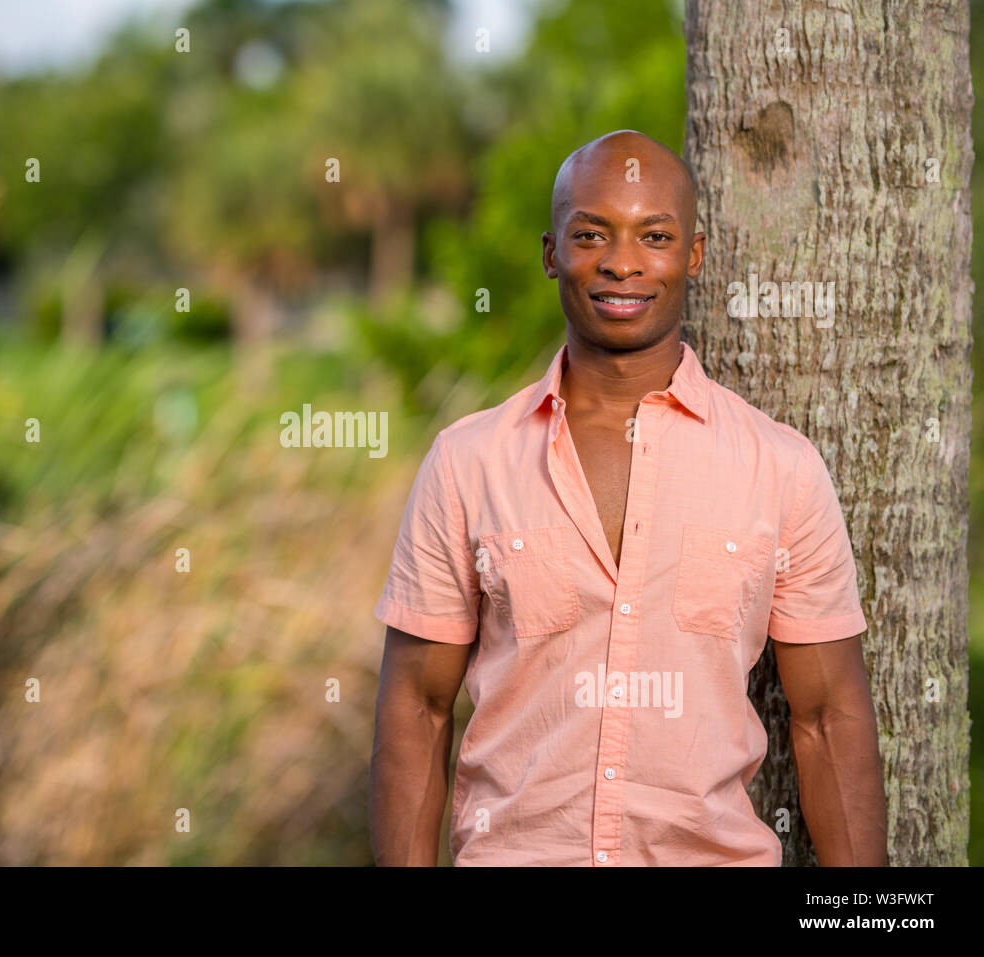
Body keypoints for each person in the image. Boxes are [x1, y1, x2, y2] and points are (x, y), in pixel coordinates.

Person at [368, 130, 887, 866]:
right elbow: (417, 709)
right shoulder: (467, 462)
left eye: (655, 235)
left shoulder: (781, 468)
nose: (622, 262)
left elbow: (830, 717)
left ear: (693, 256)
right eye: (591, 235)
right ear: (552, 253)